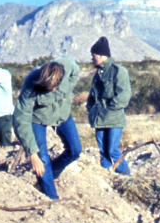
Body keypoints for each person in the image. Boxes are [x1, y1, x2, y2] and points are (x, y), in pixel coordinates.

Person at [13, 56, 82, 199]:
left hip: (61, 114)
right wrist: (32, 154)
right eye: (49, 88)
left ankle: (49, 175)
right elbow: (21, 119)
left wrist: (69, 90)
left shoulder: (67, 65)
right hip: (38, 119)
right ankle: (52, 199)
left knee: (75, 150)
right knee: (42, 159)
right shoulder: (31, 83)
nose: (55, 89)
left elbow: (76, 72)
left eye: (56, 86)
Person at [86, 36, 132, 175]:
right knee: (103, 152)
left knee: (112, 150)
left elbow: (124, 95)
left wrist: (110, 108)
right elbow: (92, 97)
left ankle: (127, 177)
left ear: (102, 56)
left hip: (113, 119)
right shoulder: (97, 74)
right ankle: (108, 180)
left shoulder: (118, 71)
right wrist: (91, 109)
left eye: (93, 56)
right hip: (99, 120)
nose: (92, 59)